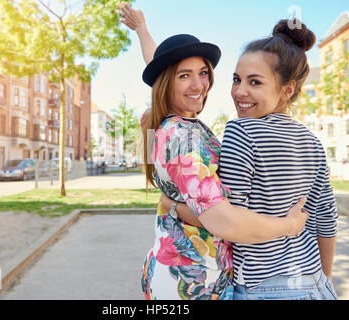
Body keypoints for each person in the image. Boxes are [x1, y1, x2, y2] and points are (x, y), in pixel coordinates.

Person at [116, 4, 308, 300]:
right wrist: (290, 225)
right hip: (193, 283)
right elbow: (223, 221)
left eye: (203, 73)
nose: (198, 85)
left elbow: (158, 65)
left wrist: (142, 29)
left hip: (176, 268)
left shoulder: (159, 120)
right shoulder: (182, 137)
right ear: (167, 82)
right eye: (184, 76)